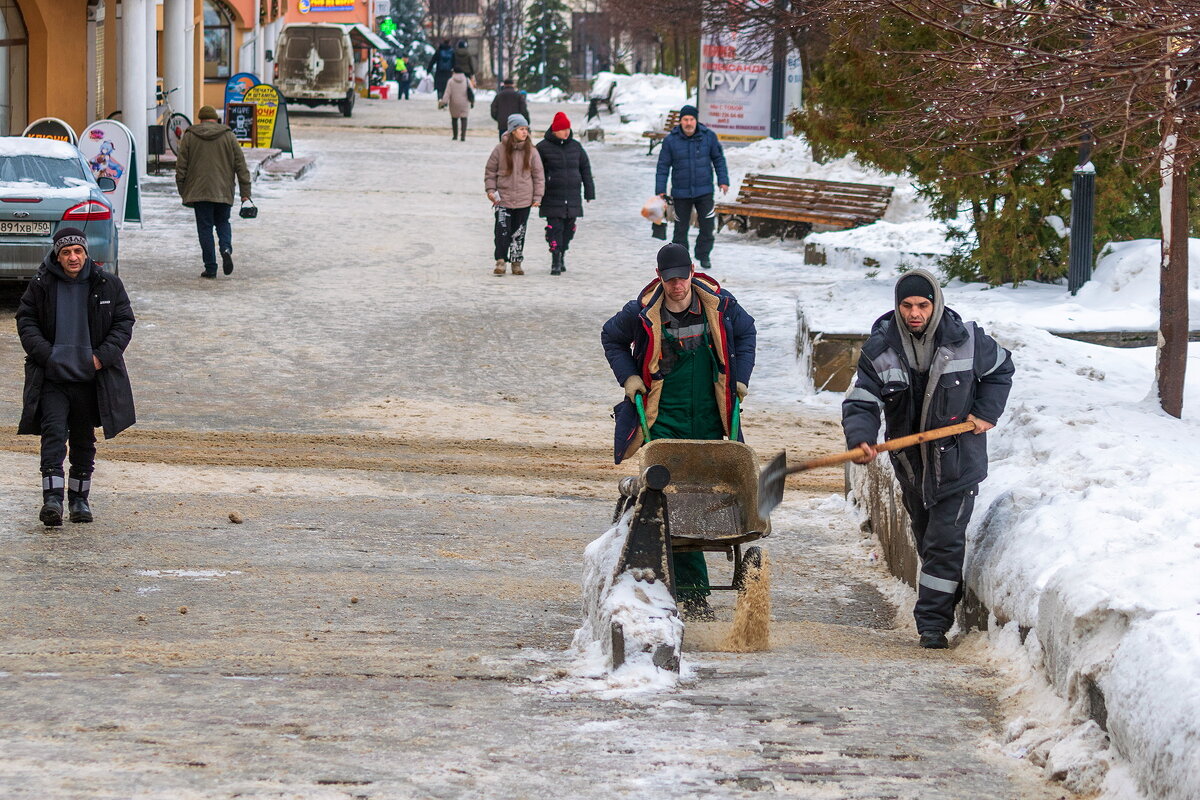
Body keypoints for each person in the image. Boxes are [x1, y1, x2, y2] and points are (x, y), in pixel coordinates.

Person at [842, 269, 1014, 650]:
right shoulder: (880, 349)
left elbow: (1002, 368)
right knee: (926, 538)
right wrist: (861, 438)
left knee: (944, 541)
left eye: (922, 305)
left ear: (935, 303)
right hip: (910, 465)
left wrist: (986, 411)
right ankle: (942, 602)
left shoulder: (967, 341)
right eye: (907, 305)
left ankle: (932, 627)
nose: (915, 313)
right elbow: (863, 400)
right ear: (897, 306)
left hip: (957, 462)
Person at [600, 243, 756, 618]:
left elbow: (747, 335)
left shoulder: (719, 304)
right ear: (660, 278)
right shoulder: (641, 310)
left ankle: (688, 591)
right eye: (670, 280)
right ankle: (692, 595)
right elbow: (611, 337)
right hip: (663, 416)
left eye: (682, 278)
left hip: (709, 412)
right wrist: (630, 377)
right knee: (673, 499)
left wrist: (741, 380)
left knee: (701, 492)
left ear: (691, 272)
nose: (677, 286)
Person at [16, 228, 136, 527]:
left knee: (84, 440)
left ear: (86, 253)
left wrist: (100, 358)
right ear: (57, 256)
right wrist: (48, 355)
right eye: (66, 252)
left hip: (90, 379)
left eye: (77, 252)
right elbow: (26, 319)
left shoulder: (107, 284)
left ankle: (79, 500)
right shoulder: (42, 284)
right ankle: (52, 500)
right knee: (53, 435)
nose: (73, 257)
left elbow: (124, 322)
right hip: (53, 378)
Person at [175, 105, 252, 279]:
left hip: (199, 191)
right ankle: (225, 248)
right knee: (223, 223)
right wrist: (245, 193)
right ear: (215, 119)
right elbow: (241, 166)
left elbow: (181, 166)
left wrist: (183, 190)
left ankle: (210, 268)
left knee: (205, 228)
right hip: (223, 190)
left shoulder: (189, 136)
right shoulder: (229, 136)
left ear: (200, 119)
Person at [655, 104, 729, 271]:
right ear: (680, 121)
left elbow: (719, 159)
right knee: (680, 229)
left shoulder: (708, 137)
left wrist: (723, 180)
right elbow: (663, 166)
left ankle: (704, 255)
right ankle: (682, 261)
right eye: (685, 119)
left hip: (704, 191)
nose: (688, 123)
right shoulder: (671, 140)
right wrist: (660, 189)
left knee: (708, 226)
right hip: (681, 192)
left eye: (691, 119)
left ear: (696, 120)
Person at [535, 112, 594, 276]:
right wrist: (536, 194)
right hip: (552, 196)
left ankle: (562, 253)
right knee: (555, 229)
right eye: (562, 129)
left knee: (569, 230)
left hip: (573, 195)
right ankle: (555, 259)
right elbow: (535, 172)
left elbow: (585, 170)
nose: (566, 132)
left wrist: (589, 191)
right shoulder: (542, 148)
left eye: (567, 128)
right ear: (554, 130)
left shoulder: (576, 147)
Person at [485, 114, 544, 276]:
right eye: (521, 129)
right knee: (502, 232)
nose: (525, 132)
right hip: (503, 199)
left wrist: (537, 197)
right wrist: (490, 190)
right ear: (512, 131)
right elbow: (490, 172)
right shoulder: (499, 150)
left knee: (519, 233)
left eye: (526, 129)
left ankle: (516, 261)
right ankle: (501, 260)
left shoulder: (532, 151)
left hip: (524, 200)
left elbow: (539, 176)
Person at [442, 70, 473, 141]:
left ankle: (455, 135)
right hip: (465, 103)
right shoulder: (466, 80)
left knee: (454, 119)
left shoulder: (450, 81)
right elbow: (471, 91)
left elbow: (447, 93)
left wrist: (444, 102)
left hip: (454, 103)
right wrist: (472, 102)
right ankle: (463, 136)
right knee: (464, 118)